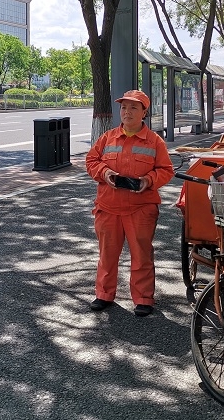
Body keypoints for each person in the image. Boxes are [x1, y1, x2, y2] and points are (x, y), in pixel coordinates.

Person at [85, 89, 174, 317]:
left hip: (141, 208)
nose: (127, 112)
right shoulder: (108, 137)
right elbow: (91, 161)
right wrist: (105, 173)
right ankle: (104, 294)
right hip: (108, 207)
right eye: (124, 107)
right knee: (107, 254)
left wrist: (148, 180)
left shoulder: (155, 142)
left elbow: (166, 170)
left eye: (134, 107)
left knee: (142, 255)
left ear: (144, 112)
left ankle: (143, 298)